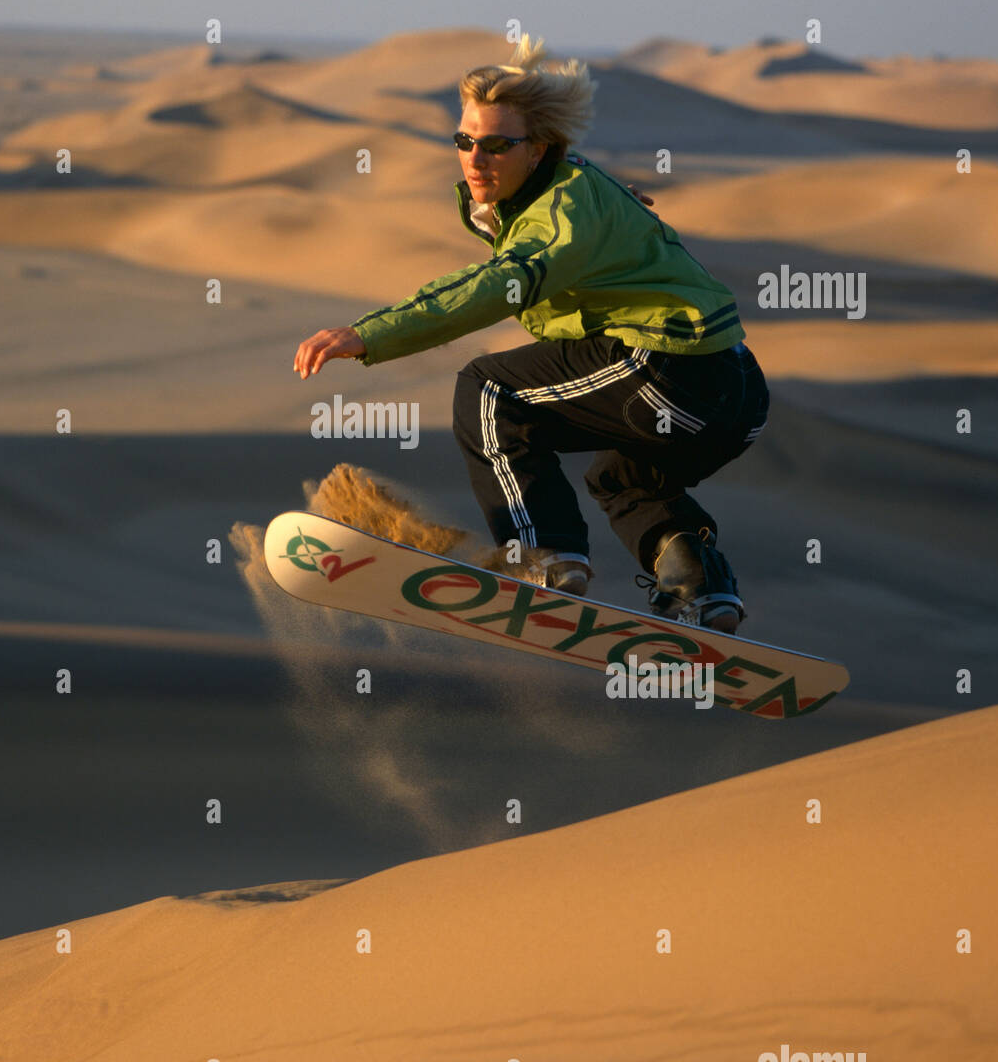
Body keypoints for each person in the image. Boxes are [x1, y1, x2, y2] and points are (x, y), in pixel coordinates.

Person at [293, 36, 768, 633]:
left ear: (537, 150)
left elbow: (497, 284)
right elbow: (595, 192)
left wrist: (370, 334)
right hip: (733, 396)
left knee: (488, 392)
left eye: (496, 145)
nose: (475, 158)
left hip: (669, 370)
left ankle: (541, 560)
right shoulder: (573, 183)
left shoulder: (557, 212)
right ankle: (700, 590)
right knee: (623, 479)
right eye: (464, 141)